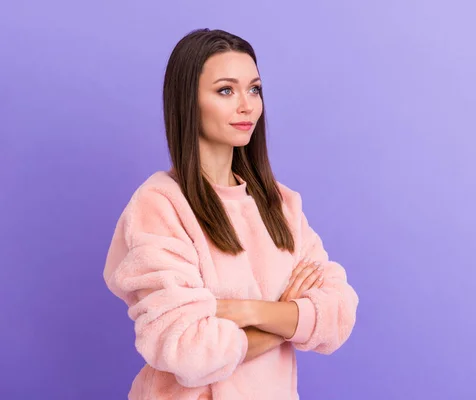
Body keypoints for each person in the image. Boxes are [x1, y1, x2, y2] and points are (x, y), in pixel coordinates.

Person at [103, 28, 359, 400]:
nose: (247, 105)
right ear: (188, 101)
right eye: (226, 90)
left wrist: (245, 311)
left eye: (254, 89)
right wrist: (289, 318)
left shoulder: (281, 204)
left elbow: (338, 315)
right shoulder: (160, 205)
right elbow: (187, 349)